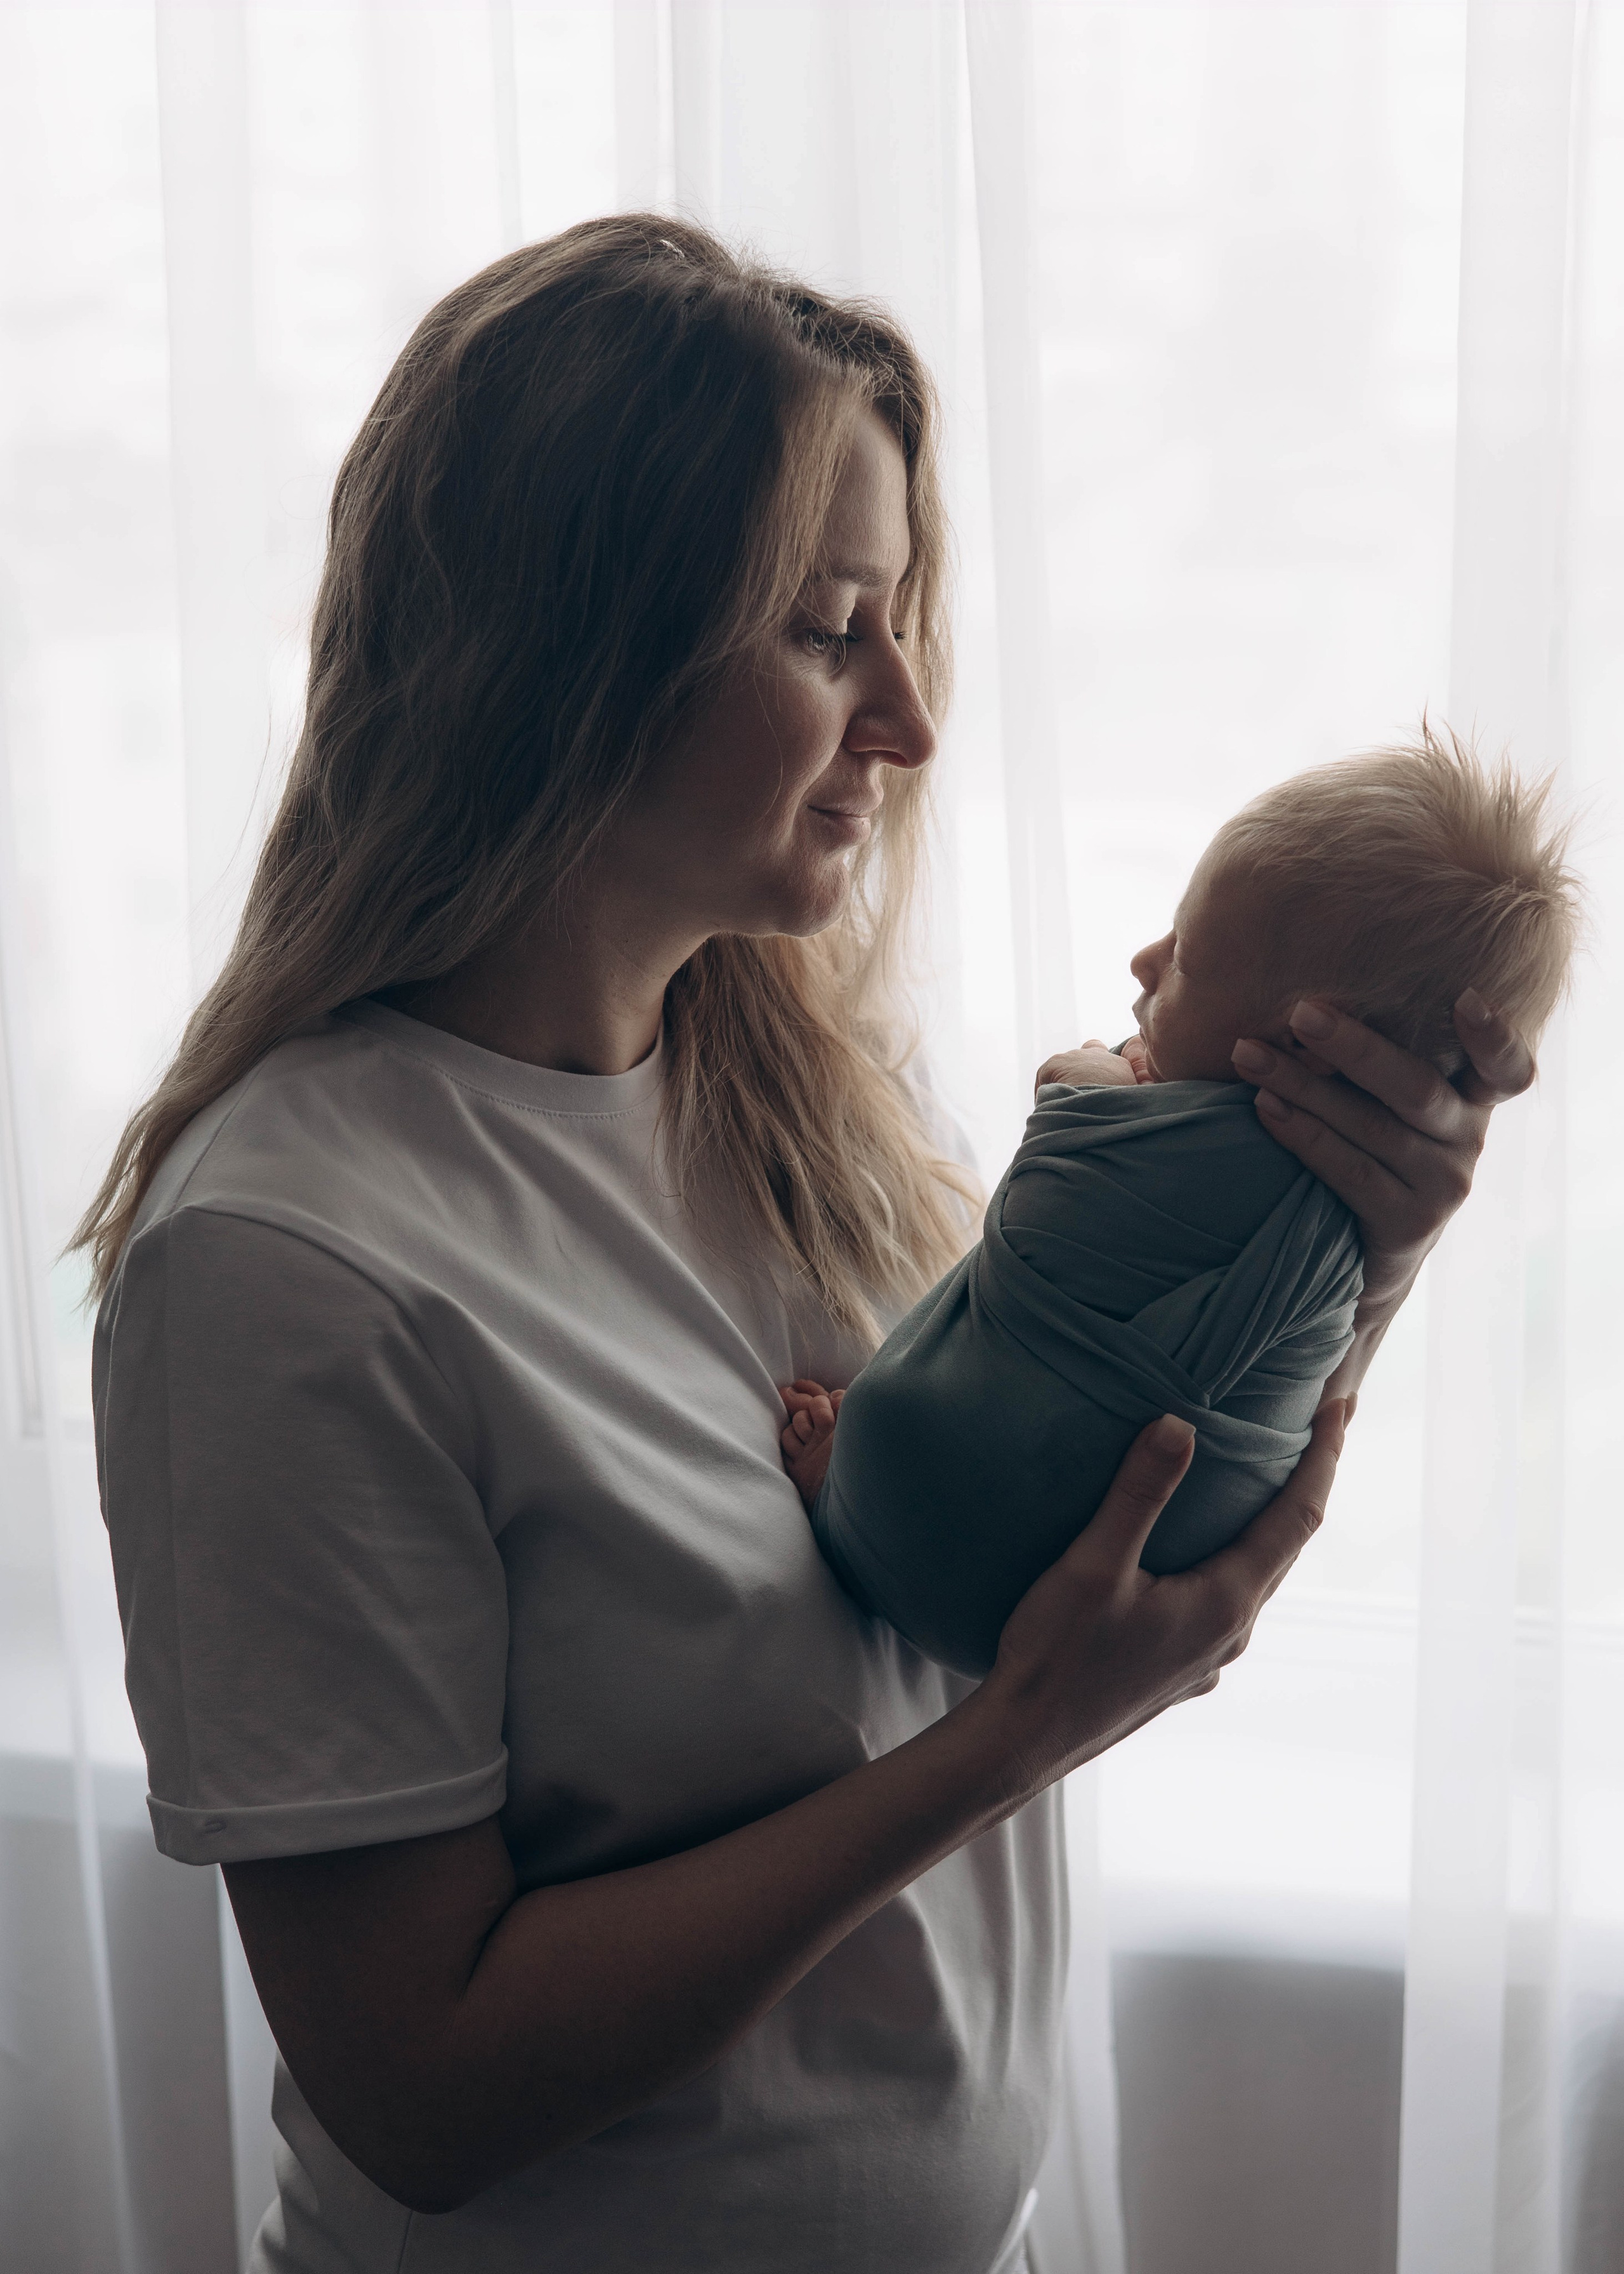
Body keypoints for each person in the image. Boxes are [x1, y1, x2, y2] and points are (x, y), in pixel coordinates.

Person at [81, 216, 1531, 2274]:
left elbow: (1083, 1551)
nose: (911, 721)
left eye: (902, 623)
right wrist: (1007, 1749)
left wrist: (1352, 1246)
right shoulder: (288, 1260)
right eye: (833, 631)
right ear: (567, 652)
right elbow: (420, 2087)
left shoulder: (819, 1112)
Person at [784, 732, 1580, 1677]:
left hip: (908, 1502)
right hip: (1118, 1601)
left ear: (1303, 1045)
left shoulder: (1165, 1133)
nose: (1144, 961)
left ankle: (839, 1479)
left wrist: (1090, 1071)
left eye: (1187, 956)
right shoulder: (1349, 1212)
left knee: (919, 1422)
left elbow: (1062, 1106)